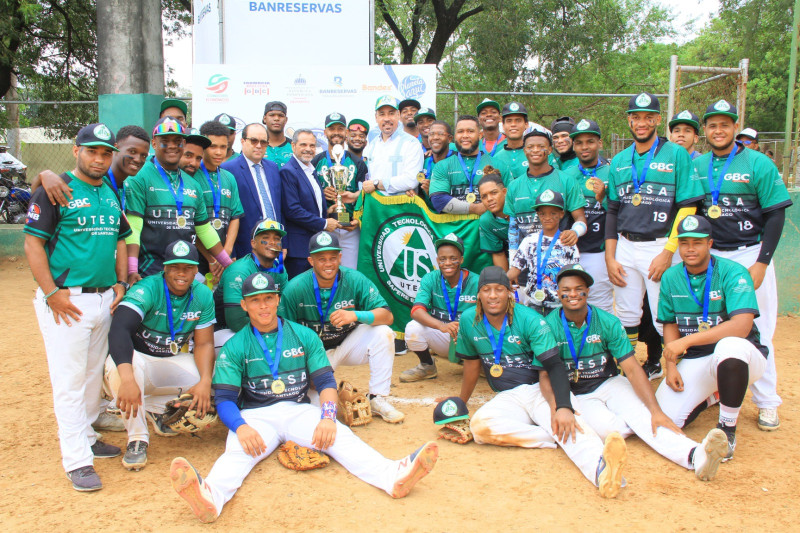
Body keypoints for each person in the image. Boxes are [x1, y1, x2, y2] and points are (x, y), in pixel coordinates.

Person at [169, 272, 439, 523]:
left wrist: (328, 417)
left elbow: (325, 382)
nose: (263, 306)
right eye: (255, 300)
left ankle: (392, 477)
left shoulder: (304, 336)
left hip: (298, 409)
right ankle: (211, 497)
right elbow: (226, 399)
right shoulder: (235, 345)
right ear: (244, 305)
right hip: (255, 415)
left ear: (277, 299)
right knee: (237, 453)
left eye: (268, 298)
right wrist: (240, 427)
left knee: (340, 437)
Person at [452, 266, 627, 498]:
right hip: (508, 396)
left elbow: (554, 366)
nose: (493, 295)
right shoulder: (468, 320)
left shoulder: (530, 319)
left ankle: (603, 471)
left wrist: (562, 406)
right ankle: (550, 434)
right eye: (486, 290)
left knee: (567, 424)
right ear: (479, 295)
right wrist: (461, 403)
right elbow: (472, 364)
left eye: (499, 290)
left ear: (510, 293)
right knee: (480, 428)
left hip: (539, 391)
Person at [547, 264, 729, 481]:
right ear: (558, 292)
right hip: (579, 394)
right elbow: (546, 373)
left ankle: (695, 455)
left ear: (588, 291)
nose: (573, 294)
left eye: (579, 288)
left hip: (610, 383)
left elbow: (632, 369)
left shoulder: (607, 322)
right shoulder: (547, 325)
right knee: (608, 430)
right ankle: (637, 424)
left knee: (649, 417)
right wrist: (558, 406)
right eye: (566, 289)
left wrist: (655, 410)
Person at [25, 123, 130, 491]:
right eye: (92, 151)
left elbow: (120, 240)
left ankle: (86, 436)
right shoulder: (56, 190)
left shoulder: (109, 193)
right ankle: (76, 460)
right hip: (66, 300)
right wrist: (51, 291)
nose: (99, 159)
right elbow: (33, 244)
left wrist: (121, 281)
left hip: (103, 296)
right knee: (68, 382)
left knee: (89, 376)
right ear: (76, 150)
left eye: (105, 153)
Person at [694, 99, 793, 431]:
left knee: (757, 329)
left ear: (735, 127)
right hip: (712, 255)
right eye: (712, 125)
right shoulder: (699, 165)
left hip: (748, 252)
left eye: (725, 124)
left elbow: (775, 215)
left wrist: (763, 262)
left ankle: (767, 403)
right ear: (705, 130)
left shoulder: (758, 163)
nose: (718, 130)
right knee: (709, 324)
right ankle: (717, 390)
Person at [655, 215, 768, 461]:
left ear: (709, 243)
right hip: (699, 358)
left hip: (743, 357)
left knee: (730, 346)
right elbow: (670, 323)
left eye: (697, 242)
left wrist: (685, 342)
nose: (690, 249)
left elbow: (741, 326)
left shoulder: (732, 272)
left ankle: (727, 429)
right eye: (684, 243)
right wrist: (671, 365)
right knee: (668, 419)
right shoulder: (672, 277)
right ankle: (715, 395)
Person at [604, 92, 704, 349]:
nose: (642, 123)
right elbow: (613, 211)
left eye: (648, 117)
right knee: (627, 314)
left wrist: (669, 252)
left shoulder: (676, 154)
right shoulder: (619, 160)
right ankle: (629, 372)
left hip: (660, 244)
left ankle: (677, 368)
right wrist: (610, 257)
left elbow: (688, 206)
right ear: (629, 121)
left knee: (665, 314)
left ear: (658, 119)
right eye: (636, 117)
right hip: (625, 245)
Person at [107, 240, 216, 471]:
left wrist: (205, 381)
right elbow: (119, 329)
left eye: (187, 268)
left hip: (170, 362)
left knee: (211, 378)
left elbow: (205, 343)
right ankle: (137, 438)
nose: (181, 273)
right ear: (164, 268)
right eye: (175, 267)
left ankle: (159, 411)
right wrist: (127, 380)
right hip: (139, 360)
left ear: (196, 269)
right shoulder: (147, 288)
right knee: (122, 368)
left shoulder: (203, 294)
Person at [279, 232, 404, 423]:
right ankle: (326, 389)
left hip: (346, 345)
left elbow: (387, 316)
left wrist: (355, 315)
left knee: (383, 333)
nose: (328, 264)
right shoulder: (295, 288)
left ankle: (378, 398)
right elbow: (284, 334)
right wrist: (305, 367)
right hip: (314, 354)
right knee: (310, 411)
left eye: (332, 258)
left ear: (340, 257)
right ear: (311, 261)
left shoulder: (354, 279)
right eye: (321, 259)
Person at [123, 117, 233, 282]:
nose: (172, 145)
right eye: (165, 141)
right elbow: (134, 227)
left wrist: (227, 264)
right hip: (150, 271)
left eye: (177, 141)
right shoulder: (140, 177)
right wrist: (131, 270)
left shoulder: (193, 184)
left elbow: (204, 229)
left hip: (185, 271)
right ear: (154, 143)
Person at [400, 234, 478, 382]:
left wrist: (466, 330)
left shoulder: (476, 281)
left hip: (470, 337)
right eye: (443, 259)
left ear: (461, 259)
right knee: (413, 328)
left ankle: (479, 363)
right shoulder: (431, 278)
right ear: (437, 261)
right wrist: (441, 326)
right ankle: (427, 366)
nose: (447, 263)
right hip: (444, 334)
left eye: (453, 258)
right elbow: (416, 311)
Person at [504, 130, 586, 262]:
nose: (535, 150)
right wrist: (513, 260)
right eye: (530, 147)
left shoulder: (567, 181)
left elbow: (580, 217)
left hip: (560, 257)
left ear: (549, 150)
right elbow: (513, 227)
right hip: (525, 260)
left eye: (541, 146)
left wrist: (575, 232)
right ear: (525, 151)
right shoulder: (514, 186)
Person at [561, 119, 613, 312]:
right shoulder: (567, 174)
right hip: (570, 249)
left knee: (601, 302)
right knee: (568, 301)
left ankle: (602, 340)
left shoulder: (611, 171)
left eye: (590, 141)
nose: (585, 147)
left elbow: (620, 213)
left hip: (599, 250)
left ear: (599, 143)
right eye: (579, 143)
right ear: (573, 146)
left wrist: (604, 198)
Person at [31, 125, 150, 209]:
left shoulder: (126, 186)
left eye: (144, 155)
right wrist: (42, 176)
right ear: (116, 149)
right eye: (132, 152)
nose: (138, 159)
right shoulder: (95, 178)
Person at [215, 219, 288, 347]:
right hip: (226, 331)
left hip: (263, 326)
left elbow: (283, 308)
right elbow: (236, 320)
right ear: (253, 243)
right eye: (265, 238)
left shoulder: (279, 268)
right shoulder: (239, 270)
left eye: (277, 239)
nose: (272, 243)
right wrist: (271, 335)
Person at [281, 129, 342, 278]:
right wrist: (324, 223)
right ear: (293, 146)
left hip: (313, 246)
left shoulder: (311, 170)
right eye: (303, 145)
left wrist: (327, 211)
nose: (308, 149)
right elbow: (292, 210)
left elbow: (308, 205)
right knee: (300, 295)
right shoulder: (288, 172)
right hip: (299, 250)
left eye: (312, 145)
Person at [508, 190, 579, 316]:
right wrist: (501, 280)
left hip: (561, 306)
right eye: (543, 214)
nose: (547, 217)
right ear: (538, 215)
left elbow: (574, 275)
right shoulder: (529, 241)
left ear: (561, 214)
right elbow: (515, 269)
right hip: (534, 305)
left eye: (553, 213)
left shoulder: (568, 242)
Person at [312, 112, 369, 269]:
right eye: (332, 129)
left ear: (346, 133)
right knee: (325, 272)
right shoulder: (315, 161)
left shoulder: (358, 163)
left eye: (340, 128)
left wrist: (357, 220)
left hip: (349, 227)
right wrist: (322, 195)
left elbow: (364, 196)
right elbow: (308, 195)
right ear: (325, 132)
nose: (336, 132)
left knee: (351, 272)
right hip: (325, 225)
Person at [221, 123, 283, 258]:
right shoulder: (227, 169)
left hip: (275, 247)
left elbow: (279, 207)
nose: (259, 146)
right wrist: (232, 252)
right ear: (243, 141)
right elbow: (228, 215)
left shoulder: (272, 168)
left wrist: (285, 244)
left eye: (263, 142)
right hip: (244, 249)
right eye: (254, 141)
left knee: (275, 279)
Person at [429, 115, 511, 215]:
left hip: (489, 229)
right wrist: (474, 208)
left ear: (480, 135)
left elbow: (510, 197)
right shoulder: (442, 166)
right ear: (455, 136)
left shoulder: (499, 165)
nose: (465, 135)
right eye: (460, 132)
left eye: (470, 131)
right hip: (454, 229)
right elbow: (438, 200)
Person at [194, 120, 244, 280]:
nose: (219, 152)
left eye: (223, 147)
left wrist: (226, 252)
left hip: (224, 257)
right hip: (199, 256)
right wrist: (212, 258)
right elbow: (191, 225)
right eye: (213, 146)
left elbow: (235, 217)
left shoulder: (228, 177)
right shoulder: (192, 176)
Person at [362, 95, 424, 196]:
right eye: (382, 114)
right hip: (376, 206)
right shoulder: (372, 145)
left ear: (398, 115)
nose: (387, 119)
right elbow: (368, 180)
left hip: (401, 208)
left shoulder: (411, 143)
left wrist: (376, 184)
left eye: (391, 113)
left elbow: (411, 180)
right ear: (376, 117)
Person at [477, 170, 510, 270]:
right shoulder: (486, 221)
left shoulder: (519, 208)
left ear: (504, 192)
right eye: (484, 196)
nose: (489, 199)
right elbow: (498, 254)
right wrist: (506, 280)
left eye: (494, 193)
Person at [415, 120, 454, 199]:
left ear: (449, 139)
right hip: (427, 211)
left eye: (440, 134)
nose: (435, 138)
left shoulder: (457, 162)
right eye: (431, 134)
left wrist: (434, 193)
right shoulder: (423, 161)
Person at [493, 102, 531, 180]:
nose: (513, 124)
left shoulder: (535, 154)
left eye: (518, 120)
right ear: (503, 126)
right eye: (509, 121)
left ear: (526, 124)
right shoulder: (496, 158)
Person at [263, 101, 293, 167]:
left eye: (281, 115)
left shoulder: (294, 147)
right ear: (264, 119)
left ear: (286, 120)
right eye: (272, 115)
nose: (276, 119)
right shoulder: (254, 146)